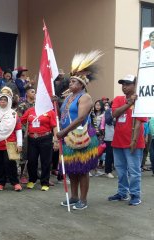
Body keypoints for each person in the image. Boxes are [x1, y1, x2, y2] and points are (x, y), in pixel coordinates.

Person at [57, 50, 102, 210]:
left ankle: (83, 199)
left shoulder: (86, 97)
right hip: (68, 137)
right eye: (70, 82)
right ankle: (74, 197)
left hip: (82, 137)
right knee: (72, 169)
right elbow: (64, 114)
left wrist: (63, 132)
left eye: (74, 82)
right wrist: (56, 102)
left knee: (82, 169)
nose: (71, 84)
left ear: (82, 85)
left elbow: (81, 118)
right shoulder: (69, 97)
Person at [108, 74, 147, 206]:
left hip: (133, 143)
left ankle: (135, 194)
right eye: (123, 84)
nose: (124, 87)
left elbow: (139, 122)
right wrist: (129, 102)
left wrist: (134, 140)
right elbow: (115, 113)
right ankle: (122, 192)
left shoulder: (141, 101)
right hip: (118, 141)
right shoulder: (119, 99)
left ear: (135, 85)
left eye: (127, 84)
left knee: (134, 171)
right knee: (120, 170)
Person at [0, 87, 23, 191]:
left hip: (10, 143)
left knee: (10, 164)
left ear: (9, 102)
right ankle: (1, 182)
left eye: (5, 100)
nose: (3, 102)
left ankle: (15, 182)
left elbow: (18, 129)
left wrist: (20, 144)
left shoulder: (13, 114)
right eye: (1, 100)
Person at [21, 100, 58, 191]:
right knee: (32, 160)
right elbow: (22, 120)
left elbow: (54, 126)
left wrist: (56, 141)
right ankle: (32, 180)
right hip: (32, 139)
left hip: (46, 138)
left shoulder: (50, 111)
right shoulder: (30, 110)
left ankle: (45, 182)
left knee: (46, 161)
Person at [17, 85, 36, 184]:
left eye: (34, 92)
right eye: (32, 92)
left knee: (34, 154)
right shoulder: (22, 104)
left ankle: (33, 174)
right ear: (27, 93)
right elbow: (20, 119)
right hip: (25, 132)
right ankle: (23, 175)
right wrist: (26, 130)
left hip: (36, 132)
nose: (34, 93)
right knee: (24, 154)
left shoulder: (38, 104)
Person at [100, 101, 115, 178]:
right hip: (110, 136)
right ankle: (108, 171)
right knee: (109, 154)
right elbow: (107, 121)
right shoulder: (108, 112)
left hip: (119, 136)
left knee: (117, 154)